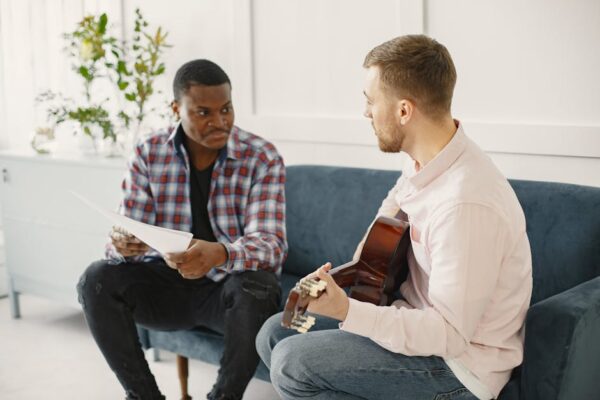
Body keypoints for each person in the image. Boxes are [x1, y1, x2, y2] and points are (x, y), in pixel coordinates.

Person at [256, 35, 532, 400]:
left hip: (459, 366)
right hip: (411, 319)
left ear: (404, 111)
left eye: (371, 101)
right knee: (278, 330)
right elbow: (397, 200)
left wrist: (348, 311)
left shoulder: (465, 204)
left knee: (292, 360)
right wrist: (359, 265)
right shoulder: (428, 155)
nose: (366, 112)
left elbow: (448, 334)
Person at [77, 59, 287, 400]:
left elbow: (272, 246)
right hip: (164, 288)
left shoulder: (261, 157)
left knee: (258, 286)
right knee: (96, 278)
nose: (220, 123)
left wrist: (219, 253)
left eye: (226, 110)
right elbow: (124, 235)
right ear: (177, 109)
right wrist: (124, 244)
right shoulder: (149, 152)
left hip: (224, 292)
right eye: (203, 113)